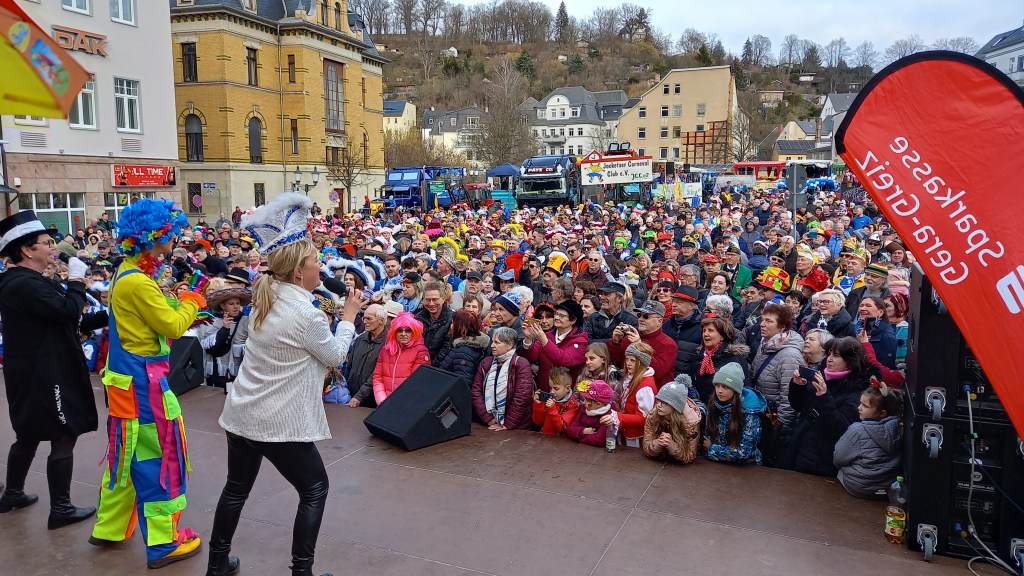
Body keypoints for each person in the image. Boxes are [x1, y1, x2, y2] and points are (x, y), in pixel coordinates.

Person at [208, 193, 361, 576]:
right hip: (276, 421)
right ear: (298, 272)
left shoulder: (269, 293)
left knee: (236, 489)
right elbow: (336, 357)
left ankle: (216, 564)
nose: (320, 266)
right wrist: (348, 317)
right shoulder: (303, 314)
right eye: (315, 262)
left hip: (242, 413)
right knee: (314, 489)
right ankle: (301, 572)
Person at [89, 199, 205, 568]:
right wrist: (192, 300)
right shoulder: (138, 281)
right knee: (159, 459)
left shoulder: (128, 273)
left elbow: (151, 319)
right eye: (173, 233)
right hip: (145, 386)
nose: (177, 239)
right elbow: (172, 328)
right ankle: (163, 543)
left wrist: (174, 302)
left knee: (126, 456)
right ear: (157, 236)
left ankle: (108, 528)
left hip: (127, 383)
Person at [0, 211, 107, 529]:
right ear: (26, 250)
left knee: (28, 434)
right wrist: (76, 281)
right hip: (45, 373)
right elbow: (66, 311)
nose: (53, 247)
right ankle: (60, 509)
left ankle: (13, 495)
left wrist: (109, 316)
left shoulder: (26, 281)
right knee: (63, 435)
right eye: (47, 243)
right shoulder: (21, 284)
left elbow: (68, 319)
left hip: (35, 370)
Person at [784, 336, 875, 476]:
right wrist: (798, 386)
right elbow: (799, 406)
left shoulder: (857, 392)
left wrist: (824, 396)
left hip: (822, 459)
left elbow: (841, 428)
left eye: (836, 355)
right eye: (829, 354)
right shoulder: (820, 377)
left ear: (850, 361)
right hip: (801, 447)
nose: (829, 359)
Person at [833, 382, 904, 498]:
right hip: (886, 488)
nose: (859, 408)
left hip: (859, 486)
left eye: (865, 406)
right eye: (860, 403)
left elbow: (838, 458)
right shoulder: (898, 428)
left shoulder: (857, 430)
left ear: (882, 413)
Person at [750, 303, 804, 434]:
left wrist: (779, 430)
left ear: (782, 327)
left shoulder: (789, 356)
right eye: (762, 319)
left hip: (772, 424)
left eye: (769, 321)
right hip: (760, 416)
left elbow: (789, 400)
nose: (762, 324)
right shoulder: (766, 344)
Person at [471, 326, 534, 431]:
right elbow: (476, 392)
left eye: (497, 342)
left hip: (517, 428)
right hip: (490, 424)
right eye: (492, 342)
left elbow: (521, 398)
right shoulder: (486, 363)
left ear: (509, 345)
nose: (492, 346)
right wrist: (488, 418)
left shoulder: (521, 364)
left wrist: (507, 424)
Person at [703, 362, 766, 465]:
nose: (719, 391)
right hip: (718, 465)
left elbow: (745, 452)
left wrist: (712, 448)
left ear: (735, 389)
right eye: (717, 386)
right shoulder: (713, 406)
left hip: (746, 469)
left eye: (725, 387)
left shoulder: (749, 413)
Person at [521, 298, 588, 391]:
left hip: (566, 398)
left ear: (573, 320)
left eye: (561, 315)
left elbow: (565, 360)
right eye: (556, 314)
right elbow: (530, 357)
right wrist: (528, 339)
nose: (556, 318)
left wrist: (544, 341)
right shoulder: (548, 336)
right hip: (544, 392)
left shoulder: (580, 340)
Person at [607, 300, 676, 387]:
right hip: (627, 389)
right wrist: (615, 342)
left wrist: (639, 347)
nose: (641, 319)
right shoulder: (628, 338)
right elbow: (616, 363)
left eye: (646, 316)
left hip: (651, 394)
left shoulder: (668, 344)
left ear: (659, 321)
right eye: (639, 315)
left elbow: (659, 372)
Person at [373, 311, 431, 405]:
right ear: (394, 332)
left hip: (407, 405)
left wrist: (401, 404)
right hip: (384, 405)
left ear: (414, 331)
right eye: (400, 330)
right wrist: (382, 401)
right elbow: (377, 377)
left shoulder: (420, 351)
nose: (403, 334)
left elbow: (418, 382)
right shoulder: (386, 350)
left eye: (408, 330)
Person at [690, 315, 750, 403]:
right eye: (704, 330)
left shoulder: (734, 359)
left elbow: (745, 390)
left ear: (722, 336)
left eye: (710, 330)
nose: (705, 334)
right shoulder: (700, 356)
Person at [642, 376, 702, 464]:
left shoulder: (690, 423)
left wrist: (671, 445)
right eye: (658, 400)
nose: (659, 405)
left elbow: (690, 455)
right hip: (658, 461)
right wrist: (658, 443)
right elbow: (646, 448)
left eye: (665, 403)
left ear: (675, 406)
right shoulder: (653, 416)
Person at [345, 303, 393, 408]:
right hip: (352, 397)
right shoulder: (359, 340)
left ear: (381, 320)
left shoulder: (389, 343)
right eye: (364, 318)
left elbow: (378, 375)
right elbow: (349, 367)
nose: (365, 321)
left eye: (369, 318)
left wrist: (360, 396)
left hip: (372, 402)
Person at [611, 342, 658, 448]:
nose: (628, 363)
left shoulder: (645, 386)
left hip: (635, 437)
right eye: (627, 359)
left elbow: (644, 417)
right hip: (626, 430)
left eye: (632, 360)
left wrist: (618, 417)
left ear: (642, 362)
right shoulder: (633, 378)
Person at [438, 309, 490, 387]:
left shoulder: (463, 352)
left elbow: (463, 384)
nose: (451, 326)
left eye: (453, 323)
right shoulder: (466, 346)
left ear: (459, 326)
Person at [662, 285, 703, 377]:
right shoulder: (666, 325)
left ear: (692, 305)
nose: (673, 305)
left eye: (679, 302)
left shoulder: (703, 328)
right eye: (673, 301)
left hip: (688, 381)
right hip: (666, 378)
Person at [566, 379, 617, 447]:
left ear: (598, 404)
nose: (583, 402)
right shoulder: (584, 409)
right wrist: (584, 431)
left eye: (587, 400)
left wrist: (577, 438)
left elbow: (599, 440)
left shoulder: (608, 416)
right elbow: (570, 430)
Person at [532, 367, 580, 436]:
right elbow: (538, 422)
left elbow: (561, 428)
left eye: (556, 388)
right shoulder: (549, 399)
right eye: (550, 387)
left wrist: (552, 409)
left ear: (567, 388)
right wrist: (538, 405)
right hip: (545, 437)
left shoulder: (573, 405)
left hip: (560, 443)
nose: (552, 391)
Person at [415, 281, 454, 366]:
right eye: (428, 300)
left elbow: (446, 349)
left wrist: (430, 366)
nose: (431, 303)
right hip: (418, 365)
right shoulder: (418, 317)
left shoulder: (452, 320)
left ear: (443, 299)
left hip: (439, 368)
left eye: (435, 299)